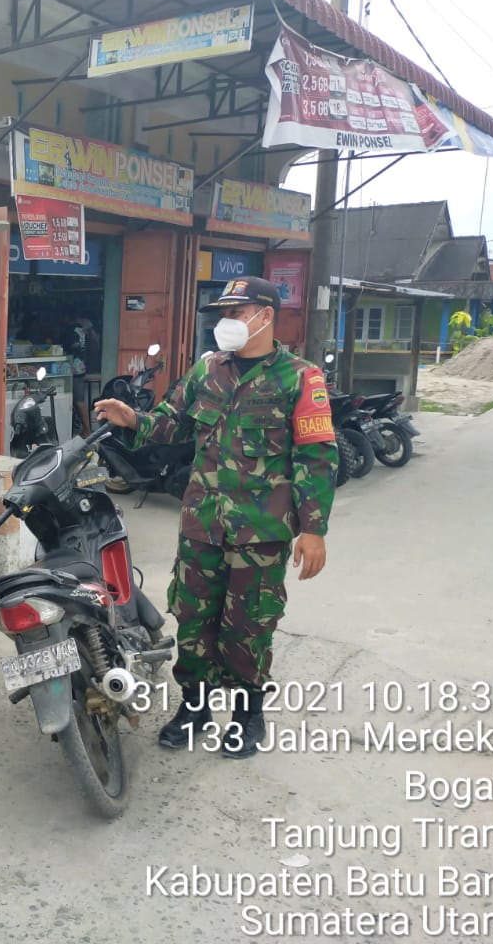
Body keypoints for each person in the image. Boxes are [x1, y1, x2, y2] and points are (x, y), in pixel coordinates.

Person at [93, 276, 336, 760]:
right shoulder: (207, 372)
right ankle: (195, 708)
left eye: (237, 312)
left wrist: (313, 529)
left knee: (249, 626)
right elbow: (172, 422)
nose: (227, 322)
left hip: (260, 532)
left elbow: (317, 457)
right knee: (193, 619)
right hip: (202, 525)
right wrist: (134, 420)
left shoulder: (300, 378)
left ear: (266, 316)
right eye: (224, 313)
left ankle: (247, 715)